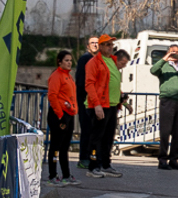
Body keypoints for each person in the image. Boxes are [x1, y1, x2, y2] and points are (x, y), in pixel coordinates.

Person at [85, 34, 123, 178]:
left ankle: (106, 164)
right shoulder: (94, 62)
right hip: (100, 104)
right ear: (100, 46)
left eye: (111, 44)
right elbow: (89, 84)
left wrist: (122, 100)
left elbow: (114, 82)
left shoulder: (112, 61)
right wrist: (97, 105)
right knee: (96, 137)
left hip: (111, 104)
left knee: (108, 137)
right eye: (107, 44)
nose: (110, 47)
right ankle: (93, 166)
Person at [46, 50, 80, 186]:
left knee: (65, 146)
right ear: (59, 62)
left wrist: (73, 110)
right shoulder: (56, 76)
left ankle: (66, 175)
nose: (69, 63)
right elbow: (52, 96)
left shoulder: (68, 76)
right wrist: (60, 114)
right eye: (66, 60)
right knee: (55, 145)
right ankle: (52, 175)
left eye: (70, 60)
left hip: (69, 114)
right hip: (59, 115)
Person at [75, 36, 100, 168]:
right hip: (86, 99)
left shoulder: (98, 59)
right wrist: (85, 96)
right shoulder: (85, 59)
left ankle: (91, 157)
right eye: (92, 43)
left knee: (93, 130)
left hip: (94, 100)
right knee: (86, 129)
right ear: (88, 46)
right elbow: (81, 80)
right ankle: (84, 158)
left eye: (97, 43)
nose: (95, 45)